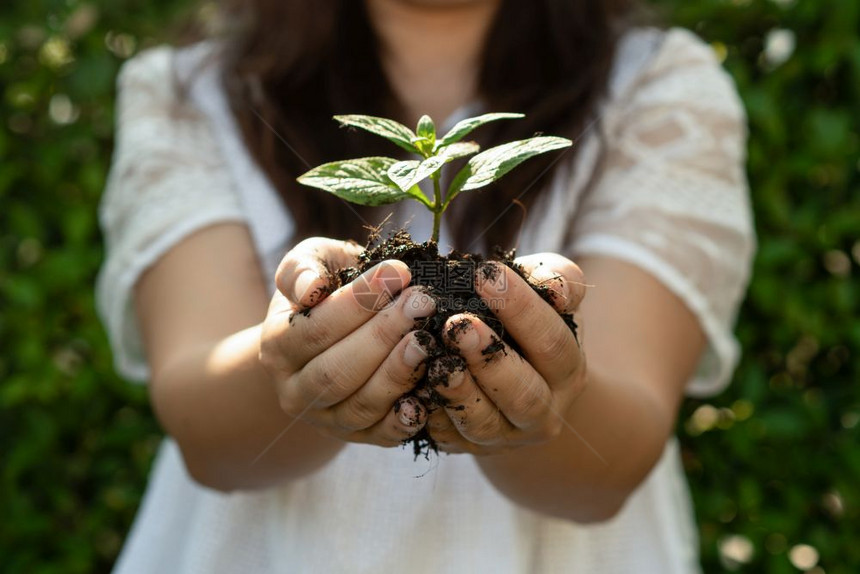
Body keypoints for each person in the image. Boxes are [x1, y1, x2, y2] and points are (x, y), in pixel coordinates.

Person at [96, 0, 755, 572]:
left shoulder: (656, 86)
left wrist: (540, 374)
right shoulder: (190, 90)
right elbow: (202, 428)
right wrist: (295, 358)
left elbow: (614, 460)